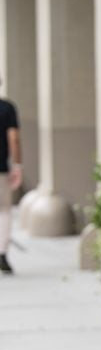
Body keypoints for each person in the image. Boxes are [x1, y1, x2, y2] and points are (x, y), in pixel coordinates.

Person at [0, 88, 22, 274]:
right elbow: (13, 138)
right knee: (4, 211)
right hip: (1, 169)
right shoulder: (7, 108)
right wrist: (17, 165)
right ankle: (2, 253)